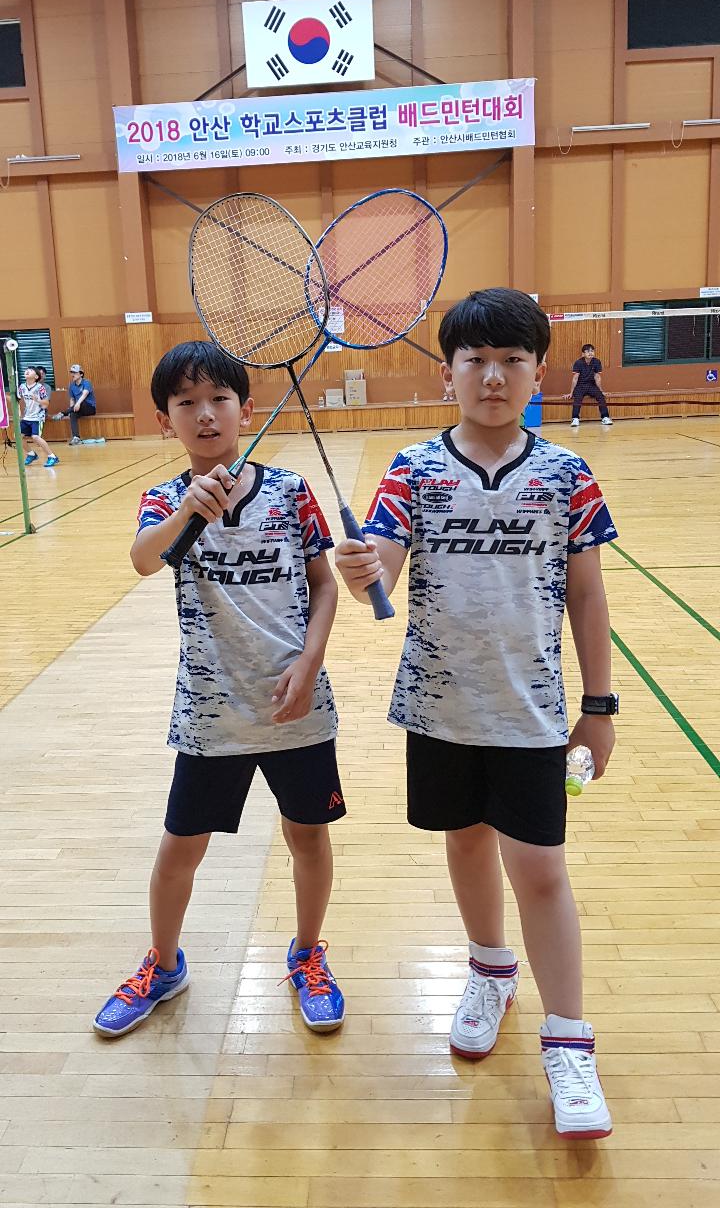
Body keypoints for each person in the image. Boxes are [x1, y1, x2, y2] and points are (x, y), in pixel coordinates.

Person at [335, 289, 619, 1139]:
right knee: (464, 843)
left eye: (511, 361)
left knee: (540, 870)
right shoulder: (412, 469)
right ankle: (490, 972)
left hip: (532, 711)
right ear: (448, 372)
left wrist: (599, 706)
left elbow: (587, 593)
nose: (493, 377)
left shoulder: (567, 475)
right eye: (475, 360)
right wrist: (363, 568)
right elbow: (383, 569)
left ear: (539, 372)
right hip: (439, 707)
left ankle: (568, 1042)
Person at [93, 341, 346, 1038]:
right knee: (181, 848)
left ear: (246, 411)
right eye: (187, 403)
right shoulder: (164, 500)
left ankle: (307, 954)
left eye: (219, 400)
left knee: (308, 837)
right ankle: (163, 965)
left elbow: (324, 586)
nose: (205, 415)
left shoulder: (291, 492)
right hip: (211, 714)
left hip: (296, 708)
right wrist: (187, 513)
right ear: (164, 420)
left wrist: (310, 663)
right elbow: (144, 559)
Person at [17, 366, 59, 468]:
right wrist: (3, 396)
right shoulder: (22, 387)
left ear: (36, 377)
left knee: (35, 437)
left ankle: (52, 456)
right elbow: (15, 400)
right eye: (27, 370)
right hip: (27, 417)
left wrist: (37, 400)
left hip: (37, 417)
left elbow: (46, 403)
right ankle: (31, 454)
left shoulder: (40, 388)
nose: (27, 371)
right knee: (17, 436)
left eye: (31, 370)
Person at [567, 343, 612, 426]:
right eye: (588, 351)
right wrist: (571, 392)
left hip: (591, 385)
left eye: (592, 351)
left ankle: (605, 417)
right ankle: (575, 419)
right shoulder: (578, 363)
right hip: (580, 386)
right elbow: (575, 378)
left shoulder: (597, 362)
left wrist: (601, 391)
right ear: (583, 354)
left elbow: (597, 377)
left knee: (600, 396)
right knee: (577, 398)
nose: (590, 353)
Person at [52, 363, 96, 443]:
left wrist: (78, 403)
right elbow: (72, 399)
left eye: (75, 372)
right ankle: (76, 437)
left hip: (89, 408)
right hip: (78, 408)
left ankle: (62, 413)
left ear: (81, 374)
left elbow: (84, 394)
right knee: (72, 414)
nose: (72, 374)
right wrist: (71, 410)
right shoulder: (71, 385)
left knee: (82, 402)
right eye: (72, 372)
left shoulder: (86, 382)